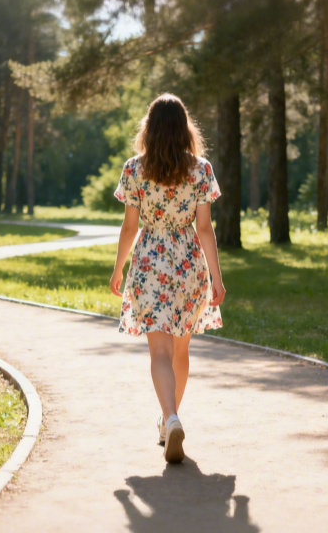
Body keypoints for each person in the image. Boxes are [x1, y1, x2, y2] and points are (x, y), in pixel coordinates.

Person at [109, 93, 226, 465]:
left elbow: (130, 227)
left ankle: (170, 418)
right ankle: (168, 418)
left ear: (150, 128)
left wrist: (119, 268)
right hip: (189, 264)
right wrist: (217, 278)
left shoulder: (134, 168)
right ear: (184, 128)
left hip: (149, 263)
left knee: (158, 352)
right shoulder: (201, 169)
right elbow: (205, 228)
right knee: (180, 351)